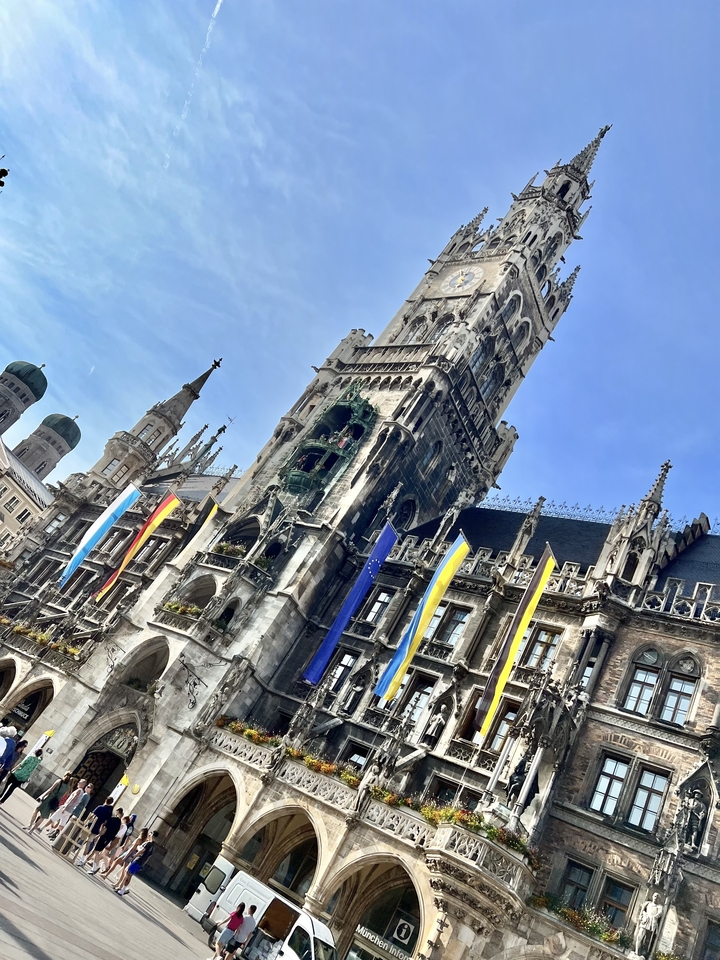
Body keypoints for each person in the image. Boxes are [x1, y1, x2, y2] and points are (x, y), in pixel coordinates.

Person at [116, 829, 159, 896]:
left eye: (150, 834)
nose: (149, 835)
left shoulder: (148, 843)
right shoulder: (152, 846)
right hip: (140, 862)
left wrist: (137, 851)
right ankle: (122, 888)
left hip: (138, 860)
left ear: (152, 835)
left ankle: (124, 889)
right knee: (128, 873)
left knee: (128, 873)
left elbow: (141, 850)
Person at [76, 796, 114, 867]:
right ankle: (82, 859)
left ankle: (75, 850)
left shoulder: (100, 807)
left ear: (105, 800)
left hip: (91, 825)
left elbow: (92, 815)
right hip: (97, 829)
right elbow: (106, 822)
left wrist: (86, 821)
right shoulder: (109, 812)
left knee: (81, 838)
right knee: (88, 843)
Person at [86, 806, 124, 875]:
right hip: (109, 839)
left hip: (104, 837)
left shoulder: (112, 819)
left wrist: (98, 835)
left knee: (97, 851)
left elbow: (105, 828)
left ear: (118, 812)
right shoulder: (119, 823)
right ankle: (95, 866)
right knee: (98, 851)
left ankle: (95, 867)